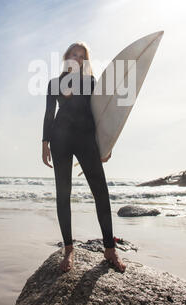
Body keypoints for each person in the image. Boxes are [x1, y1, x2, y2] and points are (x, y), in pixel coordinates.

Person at [42, 42, 126, 273]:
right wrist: (44, 143)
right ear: (66, 57)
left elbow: (102, 115)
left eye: (82, 56)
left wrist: (106, 145)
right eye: (74, 55)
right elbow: (50, 114)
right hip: (60, 140)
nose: (77, 59)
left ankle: (110, 249)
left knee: (101, 192)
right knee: (63, 194)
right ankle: (68, 249)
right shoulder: (54, 83)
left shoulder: (90, 82)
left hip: (86, 139)